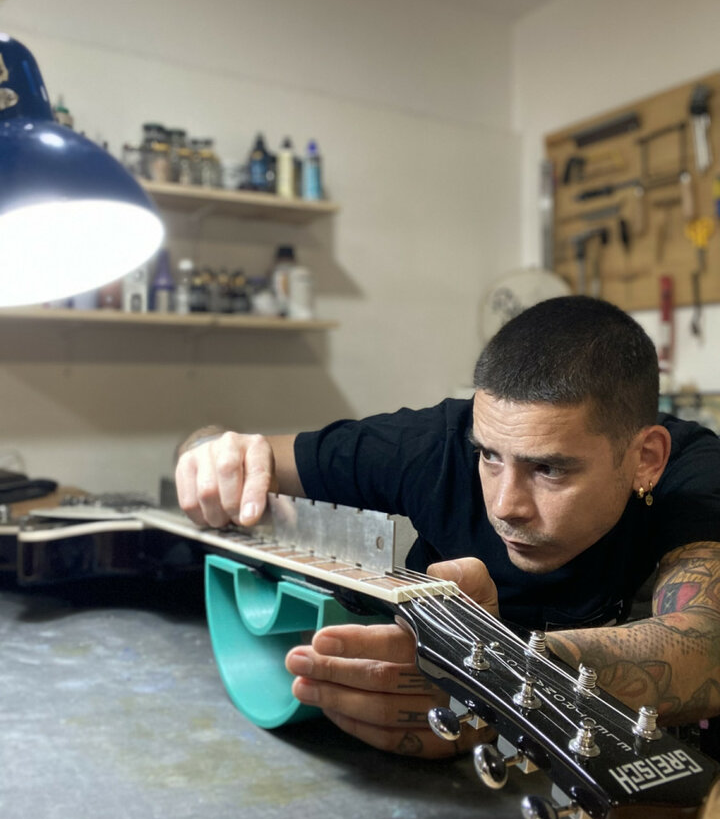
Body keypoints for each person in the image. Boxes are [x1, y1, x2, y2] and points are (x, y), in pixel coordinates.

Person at [175, 296, 720, 759]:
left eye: (549, 468)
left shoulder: (694, 474)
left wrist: (493, 685)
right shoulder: (432, 443)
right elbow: (236, 457)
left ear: (646, 457)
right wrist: (206, 455)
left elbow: (707, 640)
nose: (505, 506)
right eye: (488, 456)